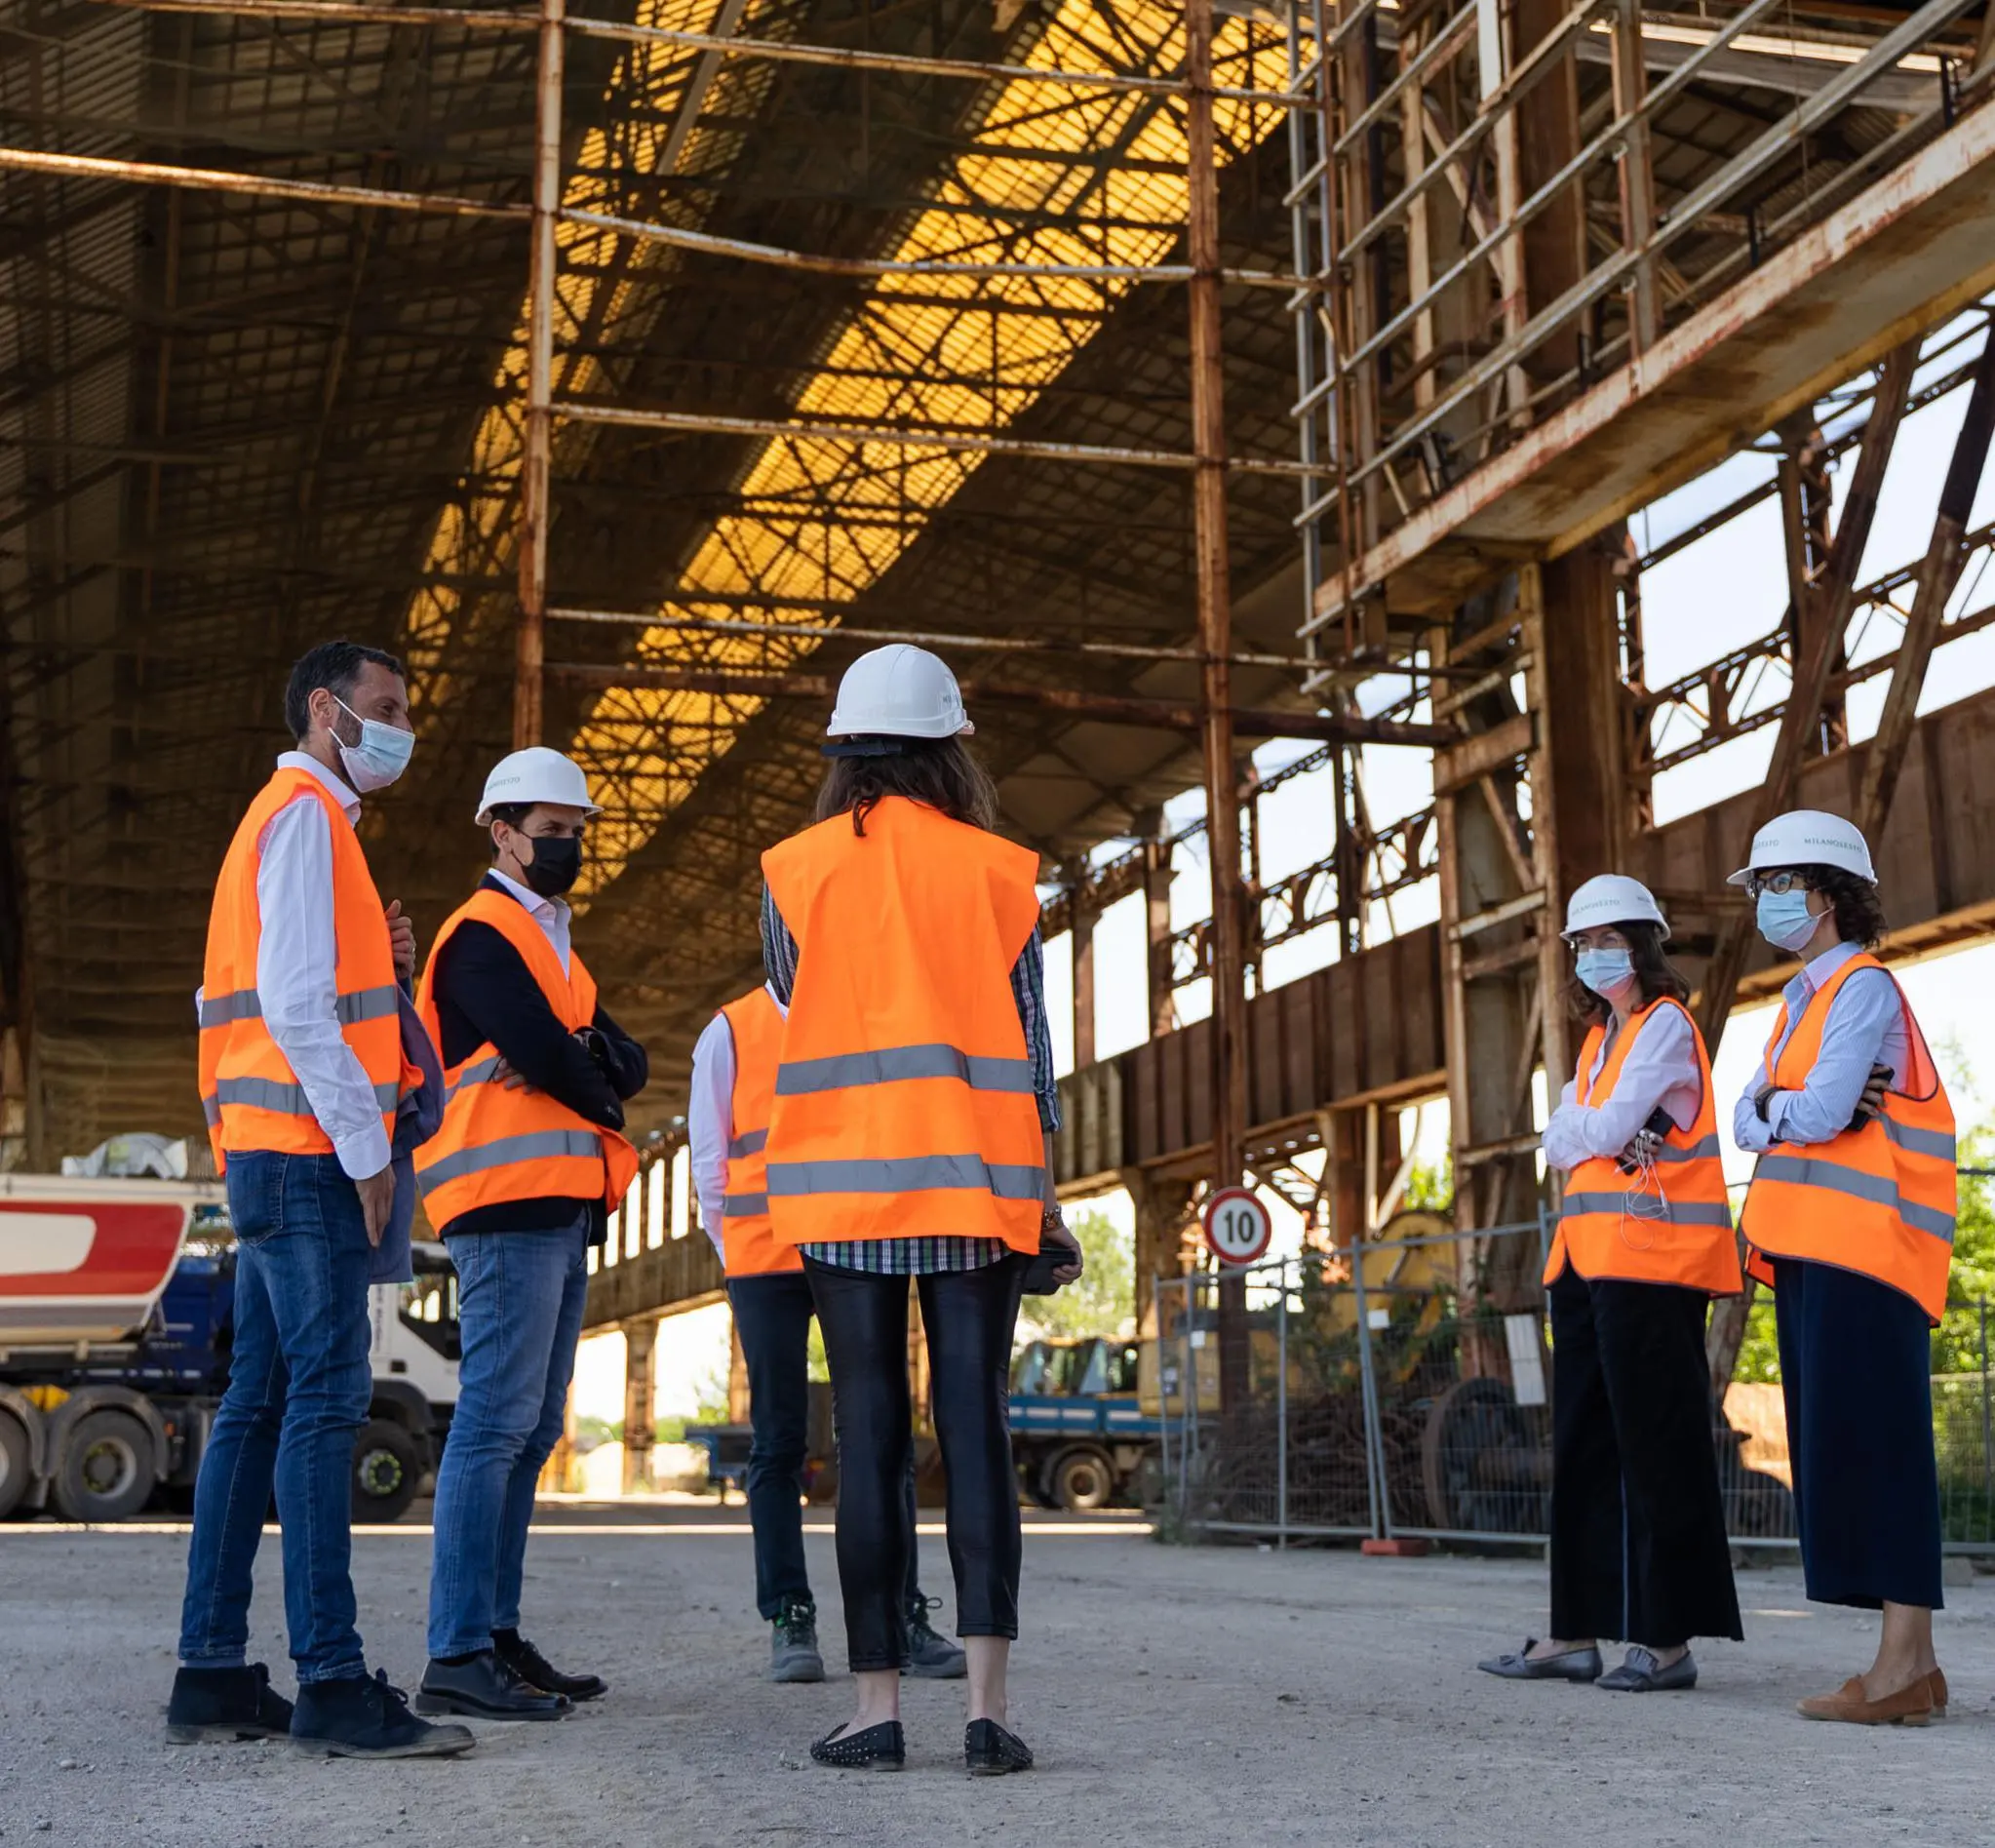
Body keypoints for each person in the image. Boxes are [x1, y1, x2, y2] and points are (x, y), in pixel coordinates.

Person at [758, 645, 1080, 1775]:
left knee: (869, 1437)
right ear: (949, 750)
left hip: (844, 1190)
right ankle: (988, 1711)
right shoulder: (998, 871)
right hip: (975, 1187)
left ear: (845, 753)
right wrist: (1045, 1198)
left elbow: (795, 995)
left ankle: (876, 1708)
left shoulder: (794, 869)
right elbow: (1035, 1055)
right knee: (977, 1430)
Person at [170, 641, 474, 1759]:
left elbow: (296, 992)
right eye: (382, 707)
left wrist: (389, 974)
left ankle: (210, 1670)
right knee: (327, 1397)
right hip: (306, 1156)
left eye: (405, 711)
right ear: (323, 710)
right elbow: (296, 1009)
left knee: (259, 1402)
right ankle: (334, 1683)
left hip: (269, 1152)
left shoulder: (300, 828)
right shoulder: (302, 817)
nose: (398, 728)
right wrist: (366, 1151)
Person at [411, 748, 648, 1720]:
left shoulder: (554, 945)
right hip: (503, 1202)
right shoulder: (479, 938)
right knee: (495, 1423)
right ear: (502, 831)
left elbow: (619, 1056)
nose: (570, 846)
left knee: (532, 1426)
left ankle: (496, 1636)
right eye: (554, 830)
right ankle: (458, 1649)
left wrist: (581, 1063)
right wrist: (578, 1064)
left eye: (577, 831)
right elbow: (560, 1053)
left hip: (557, 1204)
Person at [1479, 875, 1742, 1694]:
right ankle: (1572, 1634)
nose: (1595, 955)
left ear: (1644, 944)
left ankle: (1666, 1642)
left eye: (1608, 940)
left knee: (1657, 1447)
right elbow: (1566, 1136)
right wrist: (1581, 1131)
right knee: (1585, 1449)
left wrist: (1580, 1130)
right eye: (1583, 944)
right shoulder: (1600, 1041)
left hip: (1654, 1267)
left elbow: (1594, 1127)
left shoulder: (1664, 1027)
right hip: (1588, 1265)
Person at [1730, 810, 1956, 1725]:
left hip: (1872, 1258)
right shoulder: (1799, 1003)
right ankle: (1912, 1665)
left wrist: (1784, 1103)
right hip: (1819, 1254)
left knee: (1885, 1451)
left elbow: (1813, 1113)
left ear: (1824, 895)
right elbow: (1742, 1118)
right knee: (1854, 1448)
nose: (1767, 903)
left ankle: (1901, 1669)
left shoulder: (1861, 991)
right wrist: (1788, 1102)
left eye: (1777, 886)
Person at [689, 983, 968, 1684]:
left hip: (858, 1250)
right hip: (767, 1261)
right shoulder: (731, 1031)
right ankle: (789, 1614)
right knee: (779, 1440)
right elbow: (708, 1156)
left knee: (881, 1437)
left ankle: (901, 1611)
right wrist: (737, 1253)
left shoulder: (860, 1015)